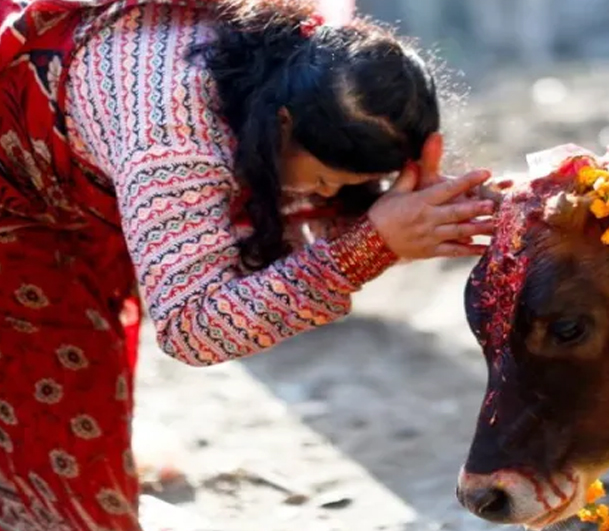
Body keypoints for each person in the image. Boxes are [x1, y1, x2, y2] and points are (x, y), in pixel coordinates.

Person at [0, 0, 495, 528]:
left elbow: (298, 211)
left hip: (74, 184)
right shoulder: (174, 139)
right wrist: (371, 246)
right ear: (281, 122)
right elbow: (193, 324)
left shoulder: (309, 59)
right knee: (61, 490)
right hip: (18, 221)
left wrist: (429, 213)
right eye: (326, 181)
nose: (324, 196)